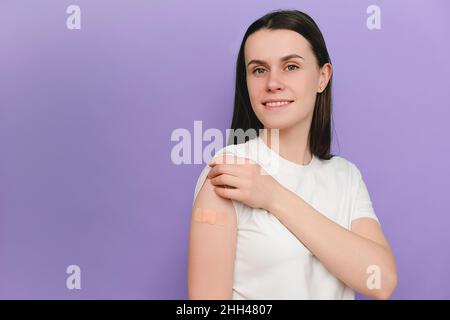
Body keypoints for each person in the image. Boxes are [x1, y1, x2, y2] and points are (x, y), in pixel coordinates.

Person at [187, 9, 397, 300]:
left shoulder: (345, 177)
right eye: (259, 70)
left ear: (322, 77)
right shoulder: (228, 173)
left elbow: (381, 281)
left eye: (291, 67)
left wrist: (273, 195)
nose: (272, 83)